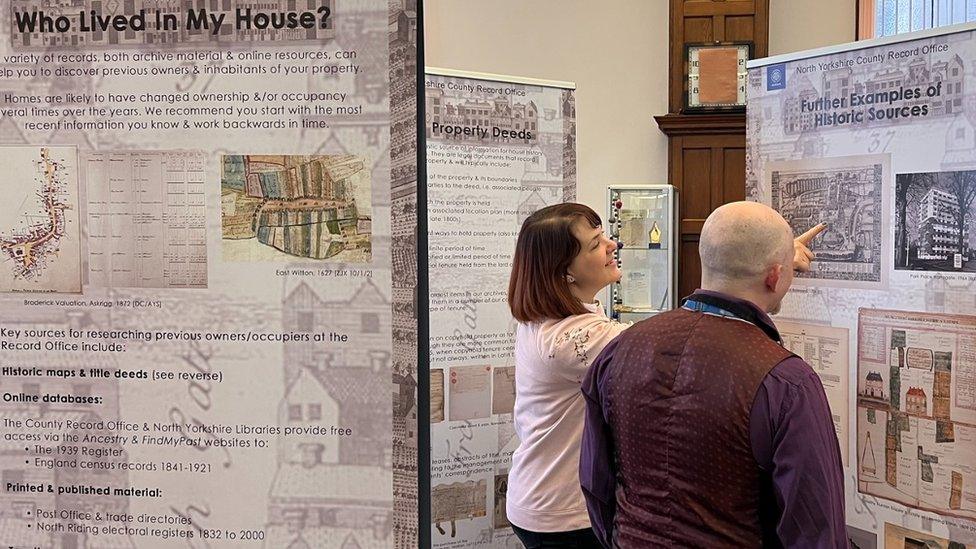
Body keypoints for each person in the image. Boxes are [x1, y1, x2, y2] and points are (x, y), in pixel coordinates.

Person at [579, 201, 846, 548]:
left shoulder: (621, 349)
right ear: (776, 276)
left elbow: (596, 484)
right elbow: (815, 529)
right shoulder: (787, 382)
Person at [507, 203, 628, 548]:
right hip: (562, 514)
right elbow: (673, 343)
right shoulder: (572, 337)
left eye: (603, 235)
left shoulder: (547, 318)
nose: (611, 245)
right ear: (564, 273)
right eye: (594, 244)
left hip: (540, 497)